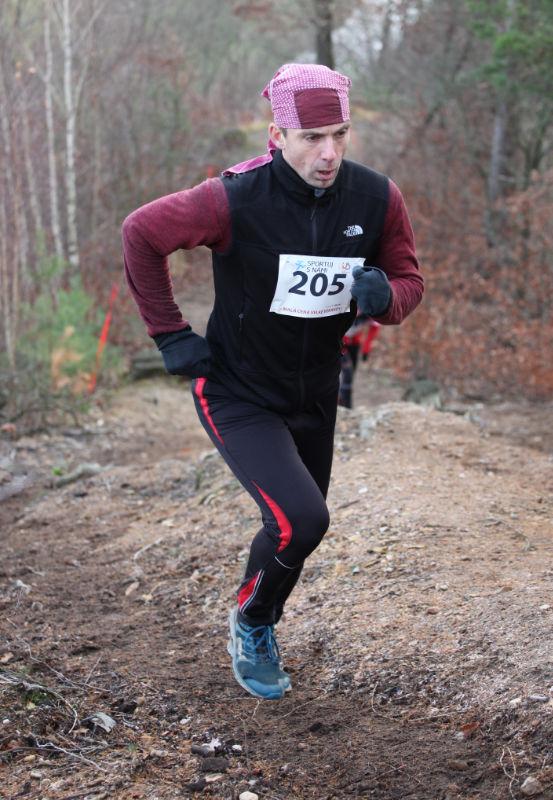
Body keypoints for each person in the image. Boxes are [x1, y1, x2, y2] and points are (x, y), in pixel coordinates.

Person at [122, 63, 423, 700]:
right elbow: (141, 233)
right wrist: (170, 333)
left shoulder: (375, 198)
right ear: (278, 135)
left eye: (339, 134)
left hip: (316, 390)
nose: (329, 153)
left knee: (297, 528)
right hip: (239, 390)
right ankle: (254, 624)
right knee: (304, 520)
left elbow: (409, 282)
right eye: (312, 137)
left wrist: (385, 297)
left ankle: (256, 612)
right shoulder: (233, 199)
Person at [338, 317, 380, 409]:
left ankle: (344, 403)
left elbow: (374, 328)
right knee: (347, 374)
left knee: (351, 374)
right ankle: (346, 405)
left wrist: (366, 349)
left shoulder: (370, 312)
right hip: (340, 342)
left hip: (354, 344)